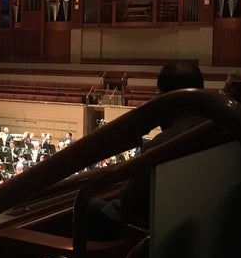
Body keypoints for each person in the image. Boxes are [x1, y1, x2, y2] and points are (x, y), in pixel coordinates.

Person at [88, 61, 205, 239]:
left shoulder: (162, 145)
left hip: (145, 234)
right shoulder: (217, 128)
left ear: (166, 99)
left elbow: (129, 200)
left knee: (84, 205)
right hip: (190, 226)